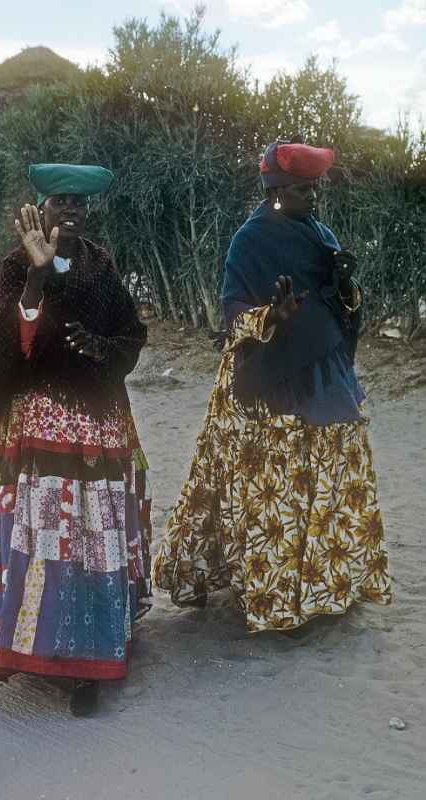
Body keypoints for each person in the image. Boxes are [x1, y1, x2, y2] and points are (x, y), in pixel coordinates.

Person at [153, 140, 391, 632]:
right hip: (266, 382)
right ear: (276, 192)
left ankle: (325, 586)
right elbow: (232, 316)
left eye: (314, 187)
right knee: (275, 492)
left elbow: (342, 306)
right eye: (303, 189)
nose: (313, 196)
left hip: (324, 375)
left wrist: (346, 289)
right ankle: (279, 600)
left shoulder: (319, 232)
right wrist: (272, 316)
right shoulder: (250, 240)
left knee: (328, 482)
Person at [0, 163, 151, 715]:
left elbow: (131, 332)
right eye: (62, 201)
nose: (73, 211)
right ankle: (38, 648)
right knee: (45, 536)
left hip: (101, 418)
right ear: (42, 208)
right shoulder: (18, 263)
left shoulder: (100, 263)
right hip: (40, 421)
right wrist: (37, 276)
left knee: (93, 537)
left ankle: (89, 662)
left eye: (81, 203)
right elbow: (13, 340)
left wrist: (100, 346)